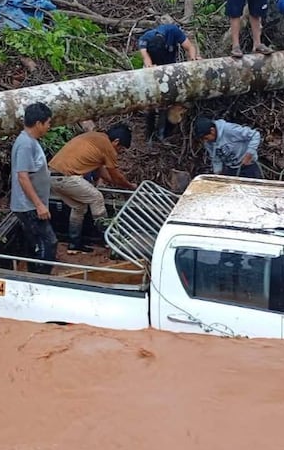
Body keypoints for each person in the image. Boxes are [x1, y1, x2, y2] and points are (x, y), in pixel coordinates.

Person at [49, 124, 136, 254]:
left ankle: (74, 244)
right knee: (97, 198)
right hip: (68, 177)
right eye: (121, 149)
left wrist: (115, 182)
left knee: (79, 207)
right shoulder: (107, 147)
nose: (119, 152)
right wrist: (130, 186)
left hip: (52, 176)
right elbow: (115, 175)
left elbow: (101, 172)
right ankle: (108, 239)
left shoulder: (95, 138)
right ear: (116, 141)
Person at [11, 102, 58, 273]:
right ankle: (41, 278)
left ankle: (34, 275)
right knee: (48, 242)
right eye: (48, 123)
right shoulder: (26, 144)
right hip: (29, 206)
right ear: (38, 123)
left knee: (34, 243)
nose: (49, 126)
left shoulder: (30, 141)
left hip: (30, 204)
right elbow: (22, 177)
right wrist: (39, 205)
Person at [138, 24, 201, 140]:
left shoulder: (173, 31)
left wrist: (193, 59)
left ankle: (163, 134)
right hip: (153, 69)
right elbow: (146, 59)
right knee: (151, 103)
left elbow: (189, 47)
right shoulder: (144, 39)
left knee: (167, 103)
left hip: (170, 69)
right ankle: (149, 133)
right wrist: (150, 66)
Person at [193, 117, 263, 179]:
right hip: (231, 169)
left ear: (212, 130)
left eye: (206, 138)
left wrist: (249, 154)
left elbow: (255, 135)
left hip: (248, 166)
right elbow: (215, 158)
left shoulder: (229, 130)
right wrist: (217, 174)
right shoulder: (208, 142)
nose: (205, 141)